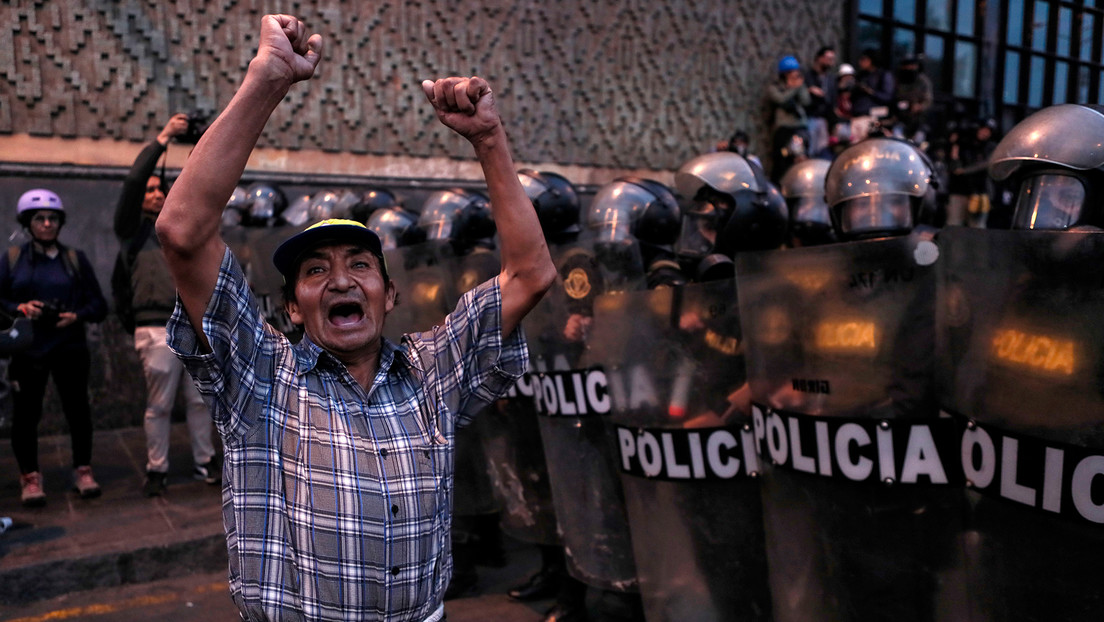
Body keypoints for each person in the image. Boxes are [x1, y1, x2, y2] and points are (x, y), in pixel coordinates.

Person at [156, 15, 556, 622]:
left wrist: (489, 139)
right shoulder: (261, 378)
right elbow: (182, 232)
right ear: (293, 307)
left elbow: (530, 274)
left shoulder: (433, 372)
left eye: (360, 265)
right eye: (316, 271)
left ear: (389, 294)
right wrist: (267, 80)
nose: (341, 281)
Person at [113, 114, 220, 497]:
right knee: (158, 405)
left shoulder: (180, 229)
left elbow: (201, 184)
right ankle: (156, 468)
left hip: (194, 326)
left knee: (199, 402)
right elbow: (132, 184)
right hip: (156, 327)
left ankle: (205, 460)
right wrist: (163, 138)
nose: (157, 195)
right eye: (151, 190)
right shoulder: (133, 232)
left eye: (162, 189)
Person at [1, 189, 107, 506]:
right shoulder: (13, 259)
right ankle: (30, 476)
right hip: (28, 350)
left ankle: (83, 470)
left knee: (78, 412)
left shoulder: (74, 259)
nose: (47, 224)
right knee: (25, 416)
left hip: (69, 347)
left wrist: (77, 315)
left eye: (53, 219)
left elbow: (99, 304)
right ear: (27, 223)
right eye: (40, 219)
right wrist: (20, 308)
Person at [767, 55, 812, 183]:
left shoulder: (799, 86)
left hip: (799, 127)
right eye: (790, 73)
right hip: (784, 129)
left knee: (800, 157)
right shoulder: (775, 87)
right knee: (782, 159)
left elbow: (806, 101)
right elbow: (781, 99)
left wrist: (800, 87)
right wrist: (793, 88)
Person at [804, 46, 838, 159]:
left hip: (825, 119)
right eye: (828, 58)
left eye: (832, 59)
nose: (830, 62)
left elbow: (832, 99)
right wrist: (810, 90)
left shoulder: (830, 79)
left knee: (823, 150)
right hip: (811, 116)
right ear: (820, 58)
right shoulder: (808, 76)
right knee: (810, 149)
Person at [890, 55, 933, 144]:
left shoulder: (922, 81)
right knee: (897, 139)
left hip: (918, 120)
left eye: (912, 65)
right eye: (906, 65)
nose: (909, 68)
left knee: (918, 141)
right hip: (901, 119)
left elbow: (928, 100)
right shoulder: (898, 80)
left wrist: (919, 107)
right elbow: (893, 97)